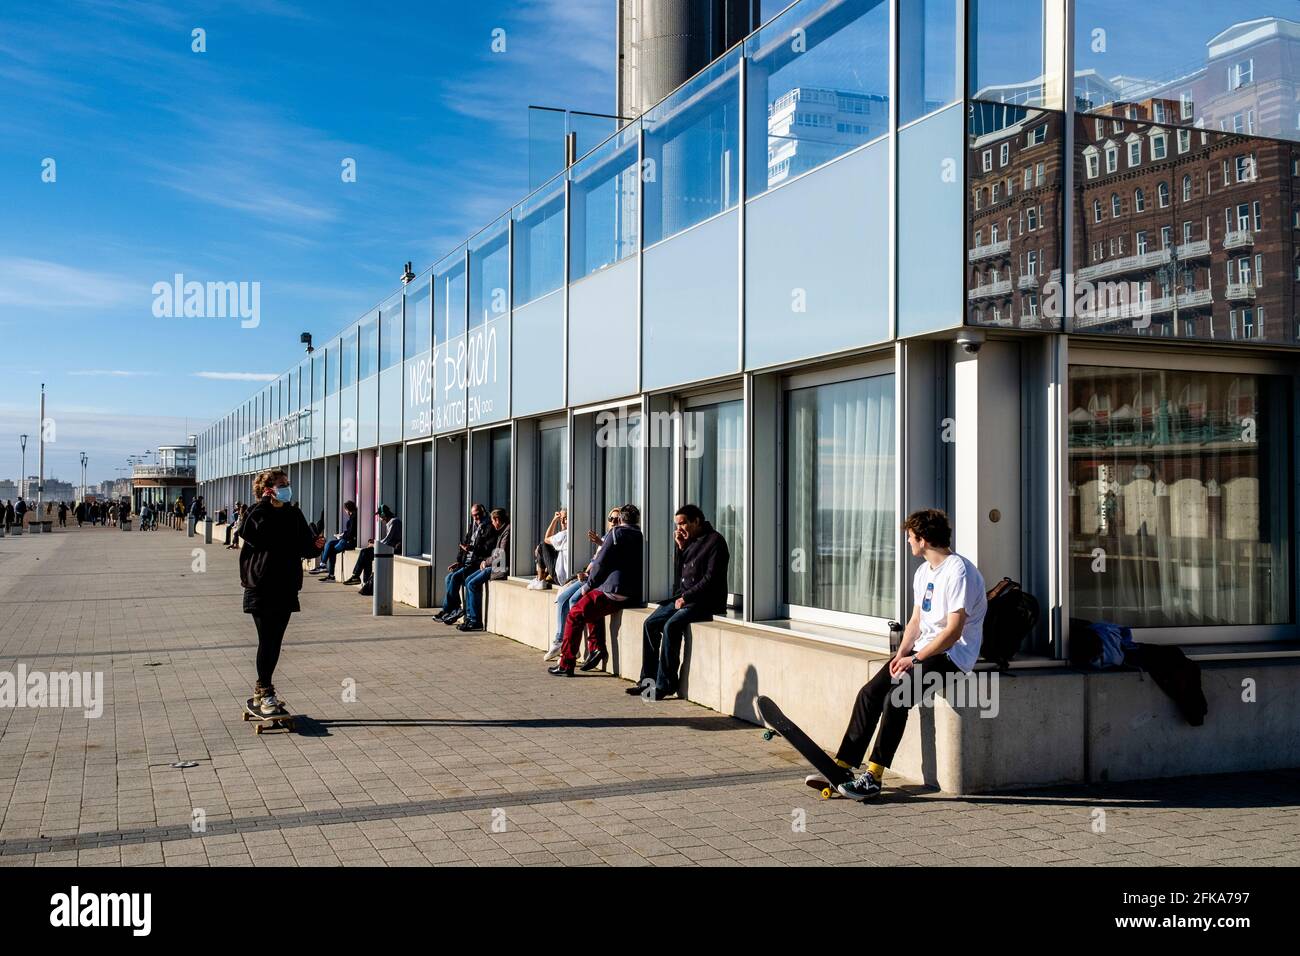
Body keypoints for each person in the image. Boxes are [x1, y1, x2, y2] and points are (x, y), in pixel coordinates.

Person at [833, 509, 987, 801]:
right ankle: (844, 764)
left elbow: (953, 633)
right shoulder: (923, 572)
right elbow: (916, 621)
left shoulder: (959, 572)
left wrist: (914, 660)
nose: (908, 542)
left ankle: (874, 776)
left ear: (924, 539)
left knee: (897, 698)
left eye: (910, 538)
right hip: (923, 650)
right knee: (870, 692)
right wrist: (900, 655)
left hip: (953, 656)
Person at [237, 469, 325, 717]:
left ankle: (262, 688)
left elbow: (305, 548)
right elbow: (248, 532)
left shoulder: (293, 513)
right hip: (261, 585)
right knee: (267, 639)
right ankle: (265, 691)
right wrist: (266, 502)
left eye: (287, 483)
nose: (286, 487)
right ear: (267, 489)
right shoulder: (258, 512)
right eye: (281, 484)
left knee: (275, 640)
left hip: (286, 586)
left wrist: (316, 547)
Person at [631, 504, 730, 701]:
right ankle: (647, 681)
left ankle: (664, 685)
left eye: (683, 523)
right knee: (650, 624)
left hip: (705, 601)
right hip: (683, 598)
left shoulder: (715, 542)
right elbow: (681, 575)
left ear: (697, 521)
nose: (679, 528)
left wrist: (687, 597)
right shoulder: (689, 541)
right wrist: (681, 548)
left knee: (671, 626)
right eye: (677, 524)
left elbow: (711, 579)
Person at [549, 503, 643, 677]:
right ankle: (596, 648)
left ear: (621, 519)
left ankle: (566, 663)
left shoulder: (615, 534)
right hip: (633, 593)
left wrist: (587, 586)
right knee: (591, 609)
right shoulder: (640, 535)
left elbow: (600, 563)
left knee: (574, 614)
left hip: (614, 591)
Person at [542, 508, 619, 662]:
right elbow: (594, 561)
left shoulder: (617, 538)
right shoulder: (606, 536)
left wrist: (600, 543)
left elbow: (613, 559)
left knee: (574, 601)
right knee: (563, 597)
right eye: (611, 518)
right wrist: (585, 573)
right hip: (588, 576)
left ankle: (571, 646)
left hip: (600, 581)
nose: (614, 521)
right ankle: (560, 640)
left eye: (617, 519)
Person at [433, 503, 495, 625]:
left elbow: (488, 548)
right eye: (473, 516)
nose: (476, 518)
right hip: (467, 562)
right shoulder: (473, 526)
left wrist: (472, 548)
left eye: (478, 515)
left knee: (456, 578)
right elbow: (464, 545)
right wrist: (459, 561)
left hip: (477, 563)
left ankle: (449, 609)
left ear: (483, 512)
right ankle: (453, 608)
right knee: (448, 578)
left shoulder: (489, 527)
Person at [458, 509, 510, 632]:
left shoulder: (507, 532)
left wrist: (485, 562)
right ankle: (469, 618)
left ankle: (475, 621)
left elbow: (500, 554)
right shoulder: (502, 531)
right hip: (494, 564)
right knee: (468, 580)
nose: (492, 524)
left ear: (497, 519)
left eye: (493, 521)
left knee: (472, 583)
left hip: (499, 567)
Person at [346, 504, 402, 595]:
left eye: (380, 515)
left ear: (383, 515)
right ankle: (365, 581)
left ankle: (357, 576)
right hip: (387, 548)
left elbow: (388, 541)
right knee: (366, 555)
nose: (380, 518)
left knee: (365, 552)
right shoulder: (391, 522)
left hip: (390, 550)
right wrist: (375, 542)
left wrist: (374, 544)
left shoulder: (394, 522)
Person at [311, 501, 357, 580]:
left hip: (348, 541)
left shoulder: (354, 517)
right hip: (346, 539)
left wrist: (342, 536)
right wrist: (342, 534)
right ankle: (324, 566)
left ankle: (326, 569)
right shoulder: (352, 517)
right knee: (330, 543)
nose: (345, 511)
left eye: (345, 509)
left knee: (331, 550)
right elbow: (350, 531)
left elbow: (351, 533)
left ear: (348, 509)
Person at [527, 509, 569, 590]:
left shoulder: (565, 534)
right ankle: (543, 577)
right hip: (571, 578)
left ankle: (540, 580)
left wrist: (554, 520)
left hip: (561, 579)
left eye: (565, 518)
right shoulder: (576, 532)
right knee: (550, 548)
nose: (562, 522)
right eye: (561, 519)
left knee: (542, 546)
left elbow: (546, 539)